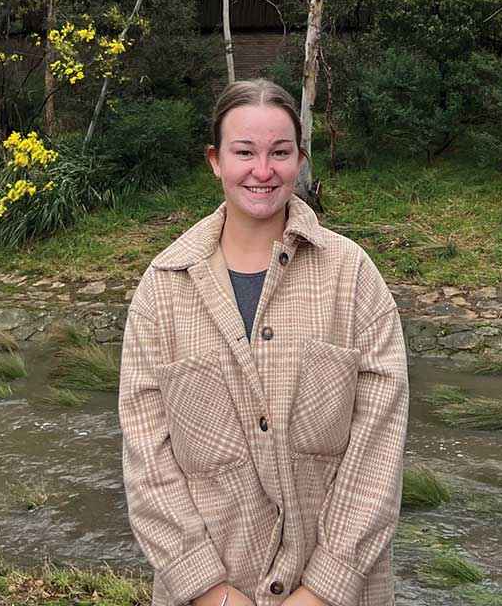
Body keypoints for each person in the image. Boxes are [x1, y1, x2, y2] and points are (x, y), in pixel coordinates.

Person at [118, 78, 409, 606]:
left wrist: (321, 590)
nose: (262, 170)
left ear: (299, 160)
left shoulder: (353, 277)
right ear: (215, 161)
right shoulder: (161, 289)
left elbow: (378, 451)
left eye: (279, 152)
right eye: (244, 152)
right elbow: (148, 461)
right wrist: (213, 593)